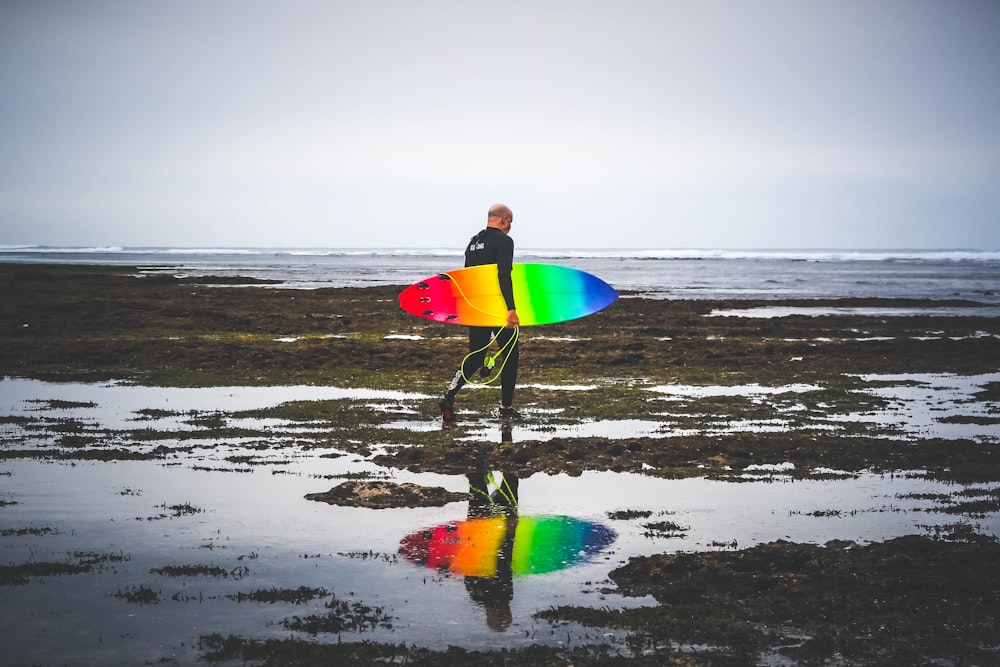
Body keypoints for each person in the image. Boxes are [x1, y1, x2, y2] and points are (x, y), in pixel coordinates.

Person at [439, 203, 522, 423]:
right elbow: (504, 274)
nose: (510, 226)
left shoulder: (473, 243)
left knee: (476, 356)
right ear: (504, 219)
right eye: (510, 221)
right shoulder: (505, 242)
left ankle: (448, 396)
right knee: (510, 354)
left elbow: (467, 279)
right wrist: (511, 308)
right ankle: (506, 408)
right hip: (496, 307)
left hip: (476, 307)